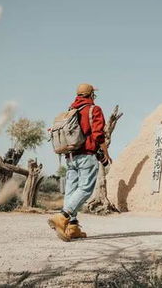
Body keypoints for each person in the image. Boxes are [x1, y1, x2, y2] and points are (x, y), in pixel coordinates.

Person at [48, 83, 112, 241]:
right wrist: (105, 152)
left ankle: (73, 227)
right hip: (87, 156)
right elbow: (98, 135)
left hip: (70, 156)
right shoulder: (93, 109)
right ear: (91, 94)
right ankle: (62, 217)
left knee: (71, 191)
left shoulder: (71, 110)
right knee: (85, 189)